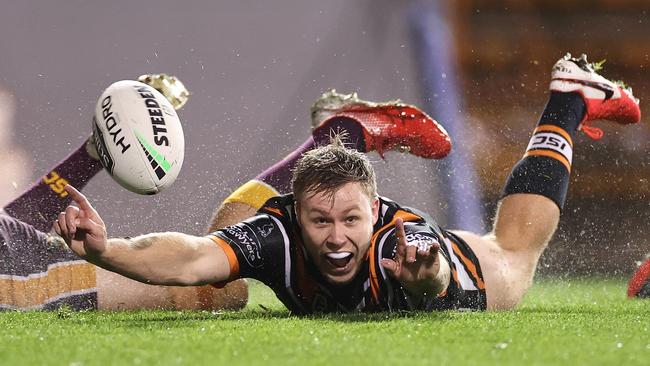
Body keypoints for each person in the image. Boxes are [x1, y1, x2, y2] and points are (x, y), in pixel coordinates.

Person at [55, 53, 641, 313]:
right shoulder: (278, 234)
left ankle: (568, 100)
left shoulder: (400, 244)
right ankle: (345, 134)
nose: (337, 238)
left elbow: (432, 278)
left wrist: (426, 276)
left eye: (352, 220)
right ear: (294, 213)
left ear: (376, 211)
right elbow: (190, 257)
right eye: (321, 221)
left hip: (466, 267)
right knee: (219, 273)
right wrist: (107, 250)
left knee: (515, 254)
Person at [0, 124, 247, 312]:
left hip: (25, 260)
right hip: (26, 273)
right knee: (222, 290)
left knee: (223, 289)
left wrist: (89, 156)